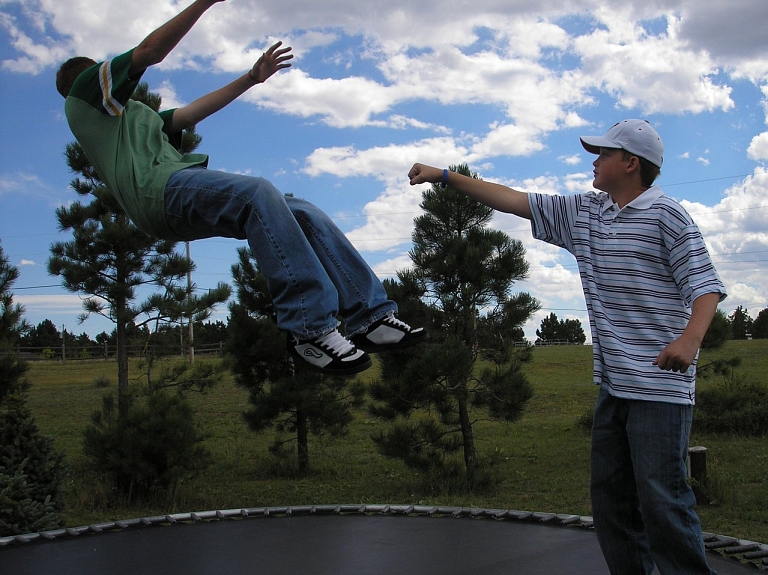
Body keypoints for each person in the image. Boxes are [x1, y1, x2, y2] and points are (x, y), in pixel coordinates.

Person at [408, 119, 725, 575]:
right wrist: (444, 176)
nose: (594, 161)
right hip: (613, 389)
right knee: (611, 503)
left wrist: (690, 341)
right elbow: (514, 200)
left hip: (659, 388)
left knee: (662, 501)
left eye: (603, 154)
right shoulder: (587, 214)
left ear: (631, 163)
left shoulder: (666, 215)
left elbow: (705, 285)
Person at [55, 0, 427, 376]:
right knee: (257, 193)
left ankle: (370, 318)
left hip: (171, 201)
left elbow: (193, 112)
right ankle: (309, 330)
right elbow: (149, 52)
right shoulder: (83, 96)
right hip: (160, 192)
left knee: (301, 210)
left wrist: (251, 78)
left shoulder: (138, 117)